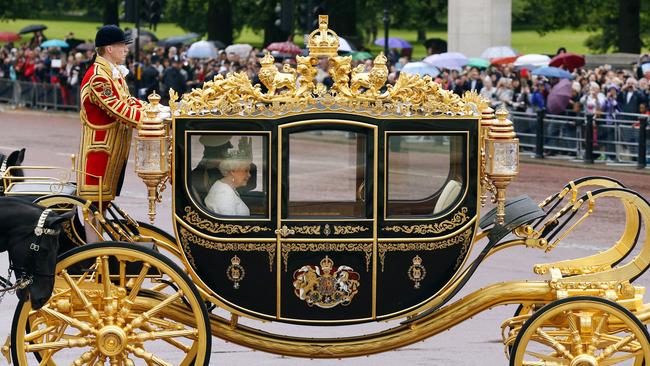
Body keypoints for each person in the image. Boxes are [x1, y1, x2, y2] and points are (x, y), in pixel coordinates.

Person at [77, 25, 148, 206]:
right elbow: (120, 110)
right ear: (109, 49)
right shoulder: (98, 76)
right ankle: (93, 236)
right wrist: (151, 120)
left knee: (104, 203)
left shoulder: (112, 73)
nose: (126, 49)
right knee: (95, 205)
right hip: (101, 151)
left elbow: (128, 101)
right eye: (122, 45)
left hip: (113, 149)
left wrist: (156, 109)